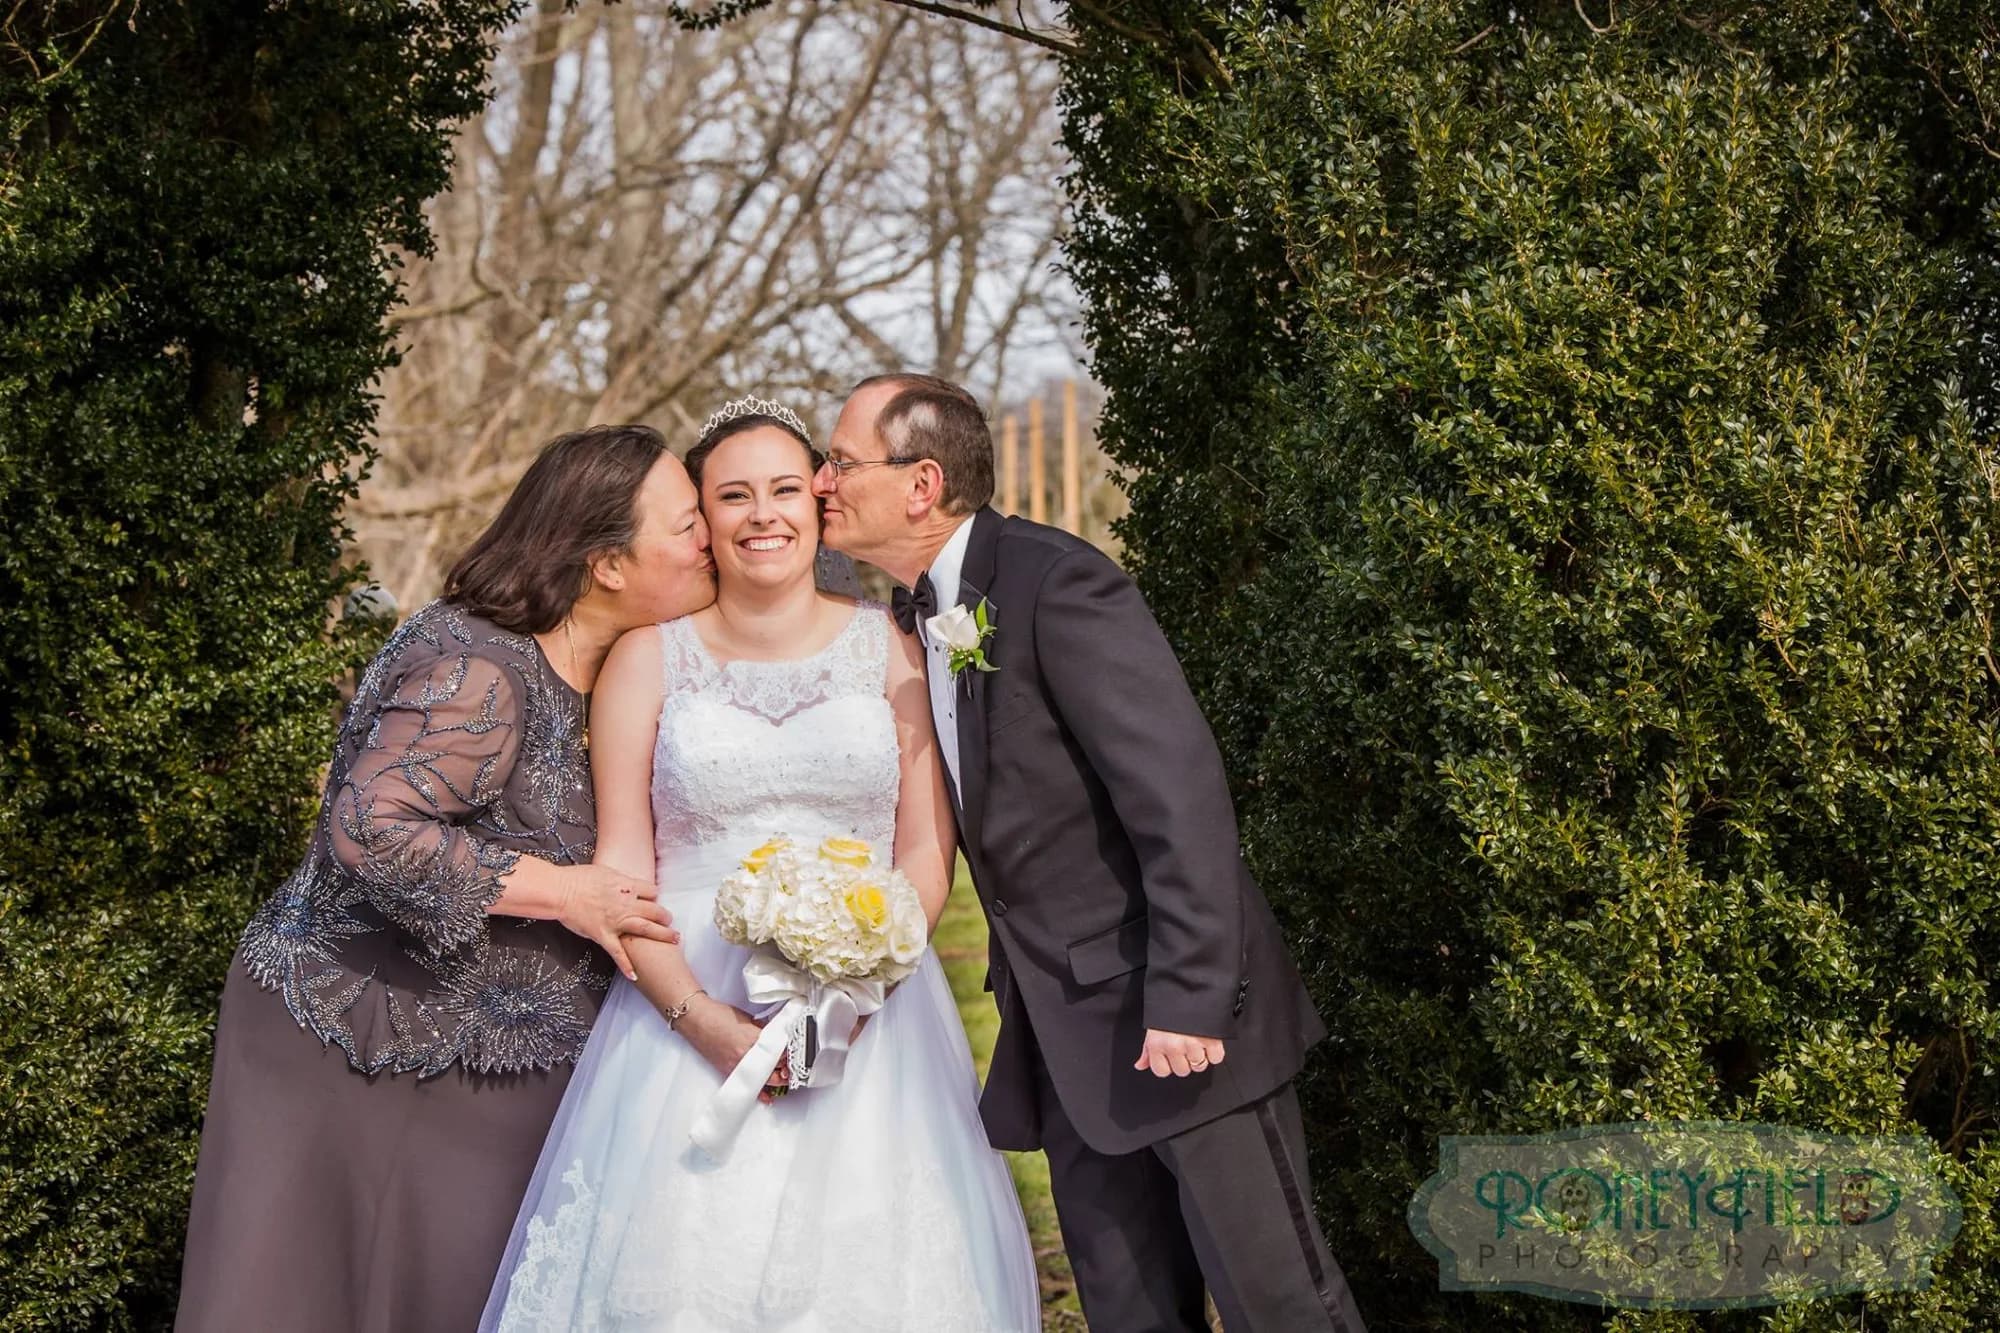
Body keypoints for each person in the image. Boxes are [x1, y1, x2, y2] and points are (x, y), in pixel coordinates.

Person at [816, 374, 1370, 1333]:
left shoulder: (1054, 580)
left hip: (1181, 1024)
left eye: (840, 462)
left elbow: (1179, 793)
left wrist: (1193, 997)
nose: (822, 482)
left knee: (1279, 1300)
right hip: (1065, 1041)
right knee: (1128, 1313)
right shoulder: (914, 619)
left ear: (921, 483)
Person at [481, 398, 1039, 1332]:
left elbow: (920, 850)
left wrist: (857, 988)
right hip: (681, 1014)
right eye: (732, 496)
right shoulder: (645, 661)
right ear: (702, 519)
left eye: (785, 488)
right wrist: (701, 1022)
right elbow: (624, 867)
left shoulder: (895, 648)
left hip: (874, 1024)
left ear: (820, 501)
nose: (763, 514)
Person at [177, 425, 718, 1332]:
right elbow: (371, 825)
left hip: (485, 1044)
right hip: (350, 1028)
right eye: (689, 521)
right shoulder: (478, 663)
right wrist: (569, 891)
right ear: (607, 565)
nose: (710, 536)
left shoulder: (606, 667)